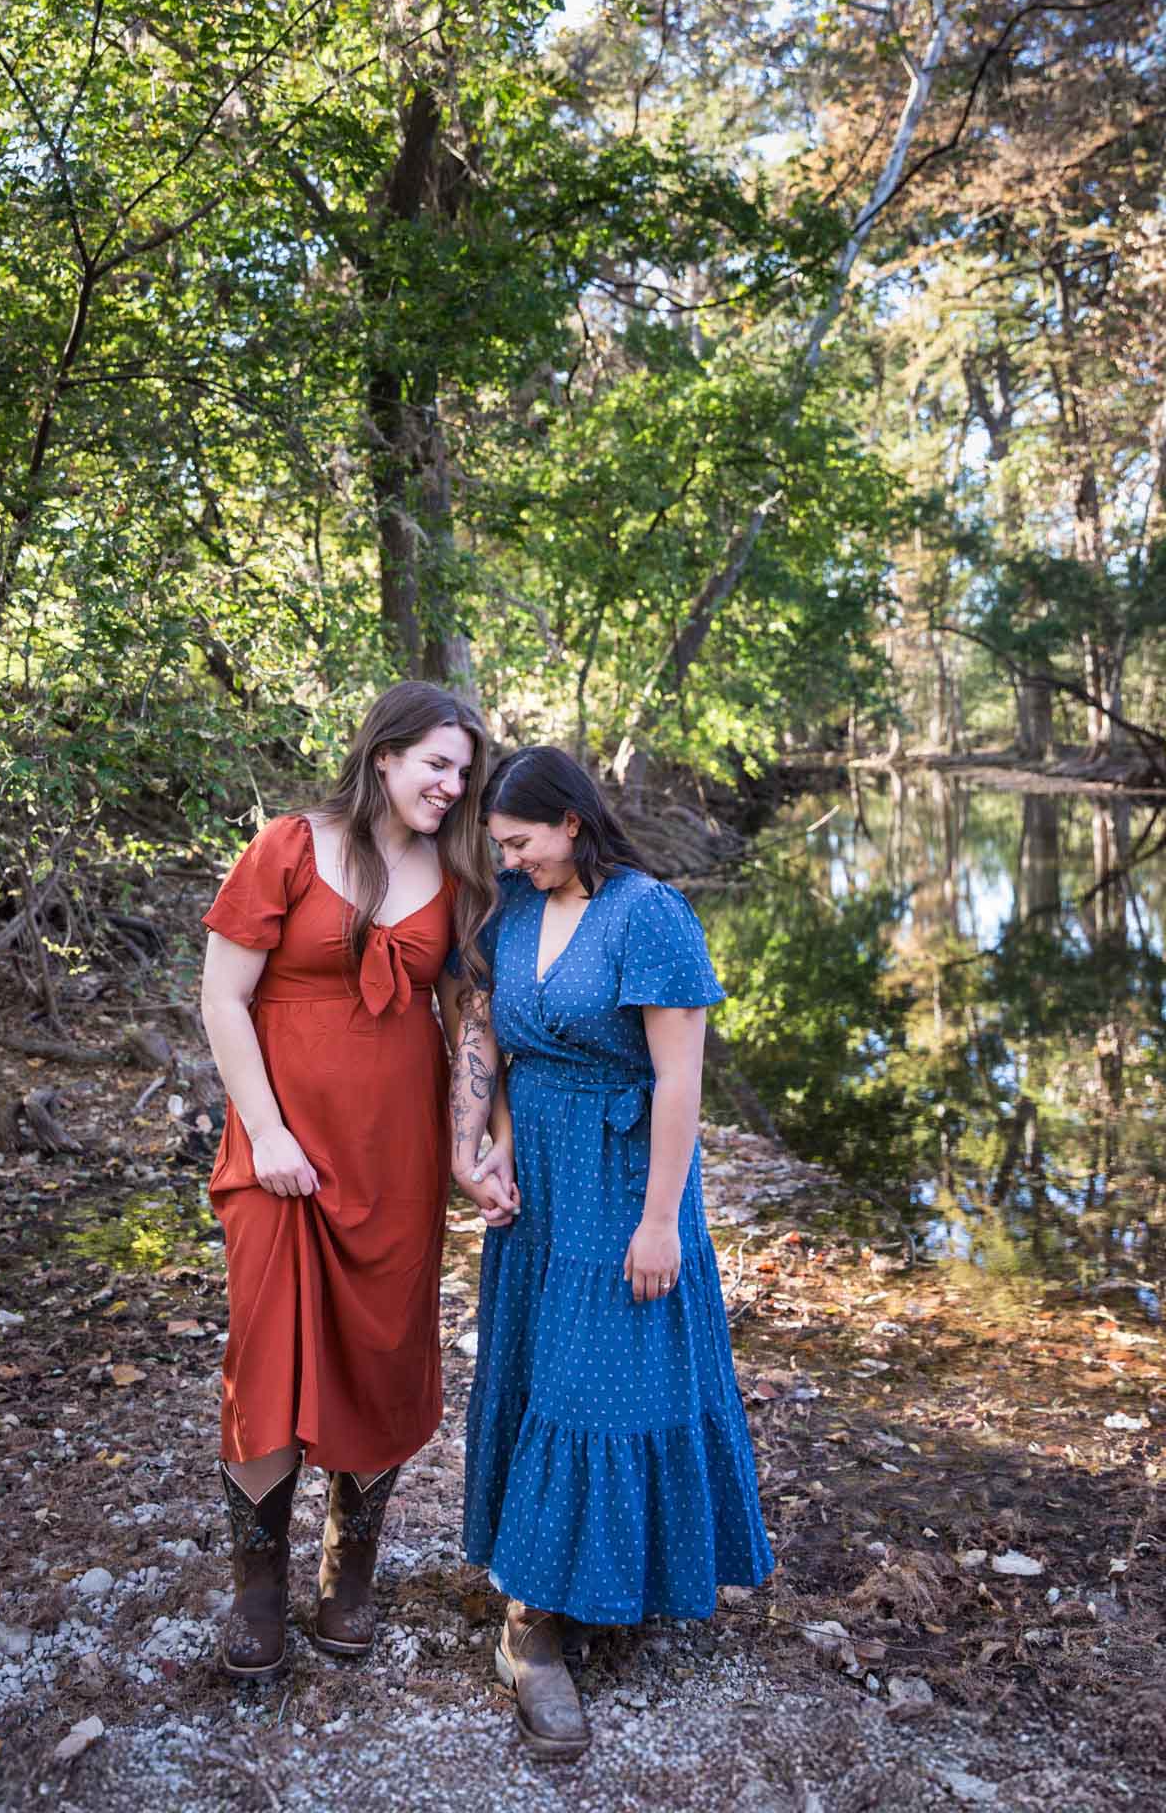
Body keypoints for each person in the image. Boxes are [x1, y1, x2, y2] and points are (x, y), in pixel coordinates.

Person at [449, 746, 773, 1760]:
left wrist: (660, 1219)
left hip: (624, 1177)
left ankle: (554, 1612)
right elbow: (500, 1040)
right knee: (542, 1377)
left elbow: (680, 1080)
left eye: (521, 839)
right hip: (538, 1175)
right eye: (500, 843)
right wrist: (491, 1140)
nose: (510, 857)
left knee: (602, 1390)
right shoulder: (509, 905)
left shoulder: (649, 913)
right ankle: (534, 1613)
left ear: (572, 821)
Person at [199, 681, 495, 1681]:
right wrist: (269, 1132)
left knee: (381, 1346)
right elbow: (223, 997)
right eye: (437, 764)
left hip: (393, 1157)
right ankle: (257, 1585)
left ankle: (350, 1566)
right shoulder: (286, 844)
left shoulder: (456, 877)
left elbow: (470, 1023)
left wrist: (473, 1142)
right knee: (267, 1351)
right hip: (279, 1155)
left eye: (465, 772)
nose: (452, 786)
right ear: (383, 754)